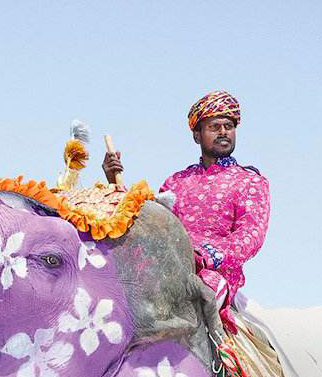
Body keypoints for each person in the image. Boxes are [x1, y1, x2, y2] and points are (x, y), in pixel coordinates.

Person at [103, 91, 271, 324]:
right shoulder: (176, 182)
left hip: (214, 274)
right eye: (214, 127)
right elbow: (150, 222)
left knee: (200, 299)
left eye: (229, 126)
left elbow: (250, 237)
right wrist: (114, 181)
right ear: (196, 135)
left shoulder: (250, 182)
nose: (223, 132)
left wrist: (207, 255)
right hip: (168, 269)